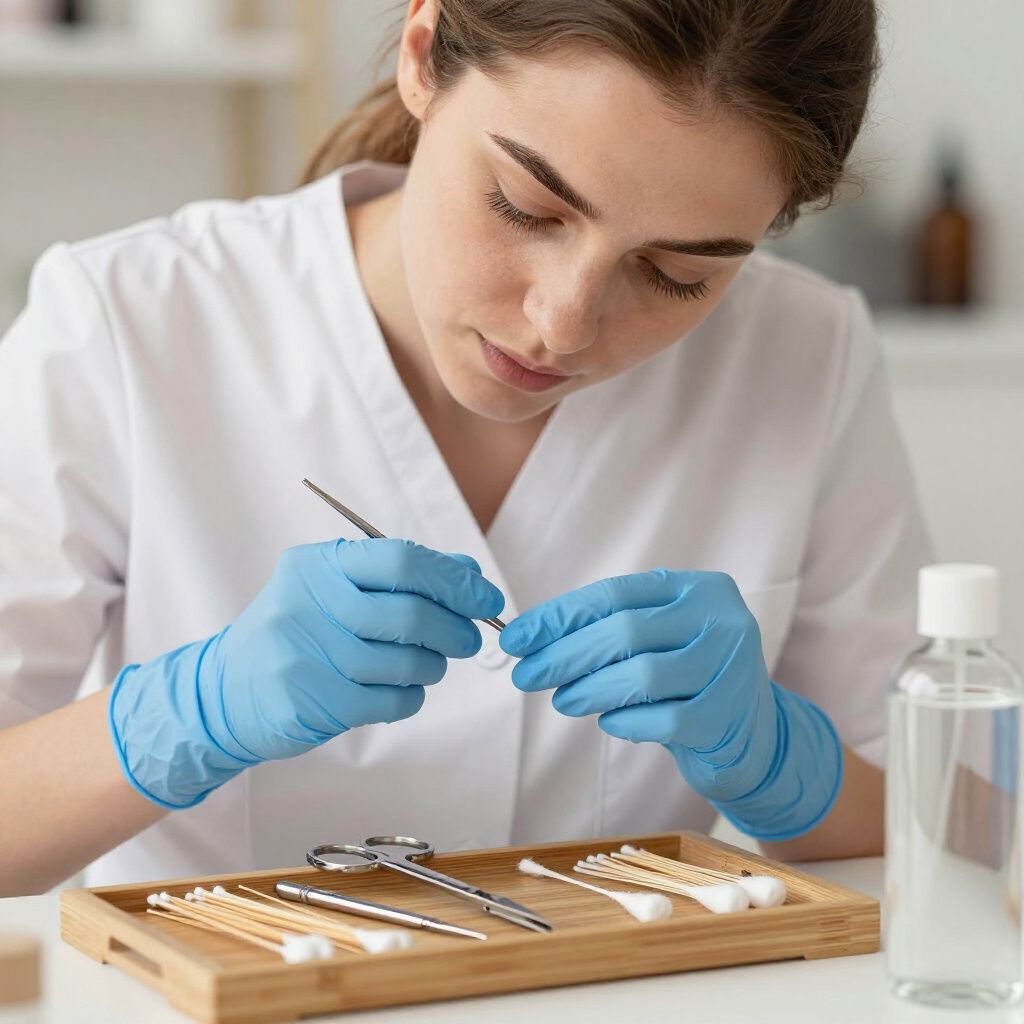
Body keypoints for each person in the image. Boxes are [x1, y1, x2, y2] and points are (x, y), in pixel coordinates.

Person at [0, 0, 930, 896]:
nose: (561, 324)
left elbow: (949, 831)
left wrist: (774, 756)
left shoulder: (809, 351)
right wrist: (187, 714)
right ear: (422, 52)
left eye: (675, 275)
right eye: (525, 207)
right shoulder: (125, 318)